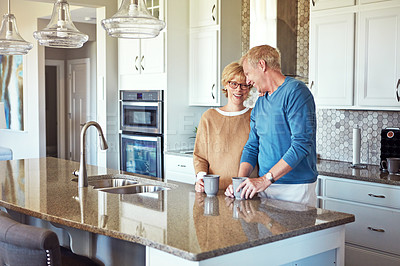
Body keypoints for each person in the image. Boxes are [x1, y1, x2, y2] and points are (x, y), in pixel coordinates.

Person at [225, 45, 318, 206]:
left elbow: (301, 145)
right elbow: (252, 146)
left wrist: (265, 179)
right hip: (265, 188)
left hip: (294, 188)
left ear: (262, 65)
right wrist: (239, 182)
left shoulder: (296, 92)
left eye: (247, 73)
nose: (247, 81)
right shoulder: (260, 102)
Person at [193, 62, 257, 192]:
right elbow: (200, 155)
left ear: (249, 88)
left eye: (244, 85)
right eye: (233, 83)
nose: (238, 89)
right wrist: (200, 178)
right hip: (215, 190)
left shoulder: (255, 116)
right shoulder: (209, 117)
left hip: (245, 191)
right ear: (225, 85)